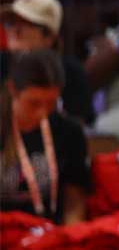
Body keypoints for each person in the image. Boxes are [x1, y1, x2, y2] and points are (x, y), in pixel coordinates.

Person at [0, 50, 90, 225]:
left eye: (51, 103)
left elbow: (74, 202)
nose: (42, 112)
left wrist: (72, 238)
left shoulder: (70, 132)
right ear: (13, 90)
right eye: (33, 103)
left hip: (49, 233)